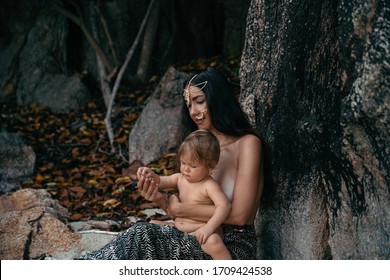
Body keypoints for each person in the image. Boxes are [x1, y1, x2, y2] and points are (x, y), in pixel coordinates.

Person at [80, 67, 264, 260]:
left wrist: (178, 209)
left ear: (218, 98)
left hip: (229, 246)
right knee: (144, 229)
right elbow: (183, 213)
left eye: (199, 101)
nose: (193, 111)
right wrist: (160, 198)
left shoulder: (247, 144)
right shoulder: (196, 148)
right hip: (193, 235)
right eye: (189, 104)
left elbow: (240, 216)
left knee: (144, 235)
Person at [137, 130, 232, 259]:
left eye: (192, 166)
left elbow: (224, 205)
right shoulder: (180, 178)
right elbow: (159, 181)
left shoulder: (209, 185)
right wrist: (149, 175)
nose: (186, 169)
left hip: (201, 232)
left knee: (213, 241)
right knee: (151, 224)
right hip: (179, 228)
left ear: (210, 166)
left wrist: (209, 227)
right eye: (183, 163)